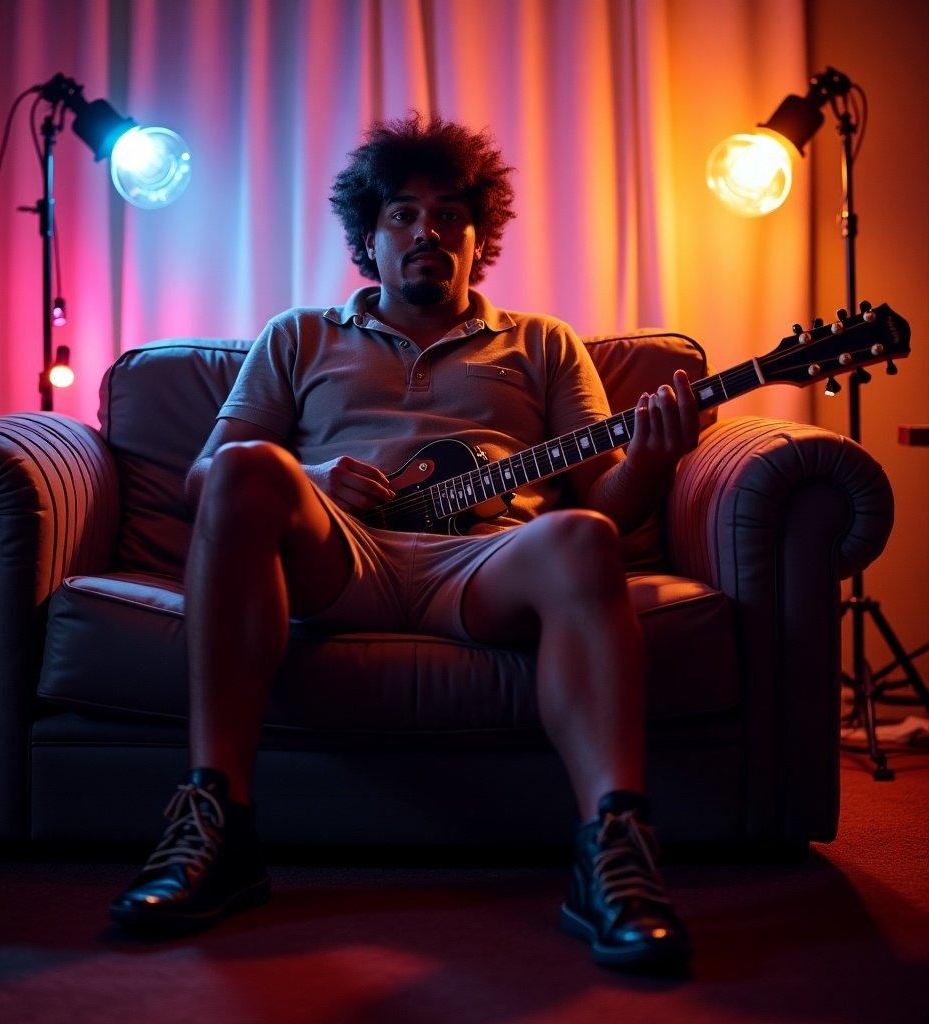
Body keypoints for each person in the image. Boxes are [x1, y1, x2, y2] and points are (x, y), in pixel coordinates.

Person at [110, 112, 699, 972]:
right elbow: (205, 481)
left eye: (451, 213)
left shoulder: (542, 343)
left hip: (484, 564)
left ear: (477, 237)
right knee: (242, 466)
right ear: (368, 238)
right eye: (403, 214)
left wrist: (652, 459)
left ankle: (613, 850)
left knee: (581, 535)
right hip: (336, 555)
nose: (429, 230)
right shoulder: (299, 334)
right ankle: (216, 822)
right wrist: (309, 480)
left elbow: (607, 496)